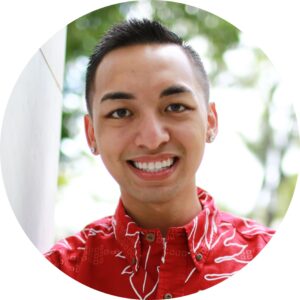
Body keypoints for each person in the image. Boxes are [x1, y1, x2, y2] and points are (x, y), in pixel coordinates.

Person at [44, 19, 275, 299]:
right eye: (120, 113)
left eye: (175, 107)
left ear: (210, 121)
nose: (152, 139)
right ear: (92, 134)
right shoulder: (57, 274)